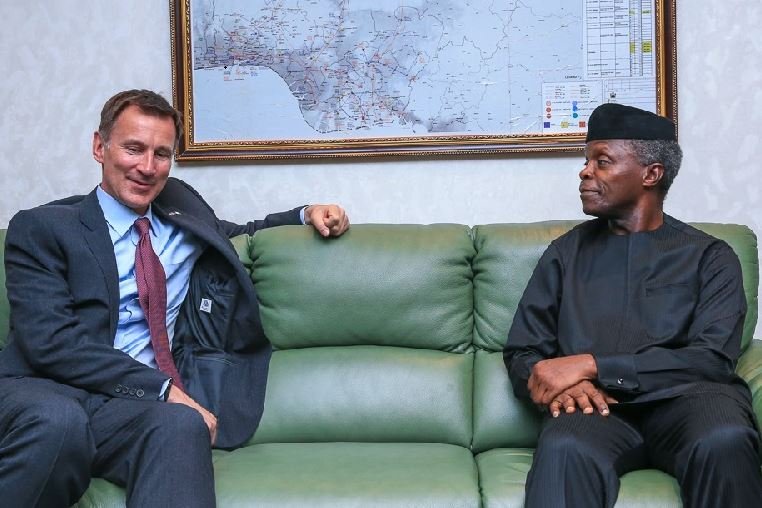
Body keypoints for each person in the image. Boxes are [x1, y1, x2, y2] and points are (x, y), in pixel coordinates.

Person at [0, 89, 350, 507]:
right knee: (61, 422)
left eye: (161, 154)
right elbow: (52, 343)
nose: (147, 167)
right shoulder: (42, 228)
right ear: (100, 147)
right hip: (47, 390)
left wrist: (306, 212)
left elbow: (238, 232)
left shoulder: (180, 208)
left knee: (183, 425)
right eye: (134, 149)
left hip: (124, 409)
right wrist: (164, 389)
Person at [503, 103, 762, 508]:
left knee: (725, 439)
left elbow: (711, 359)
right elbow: (523, 350)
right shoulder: (564, 254)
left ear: (651, 174)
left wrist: (592, 364)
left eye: (602, 161)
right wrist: (563, 384)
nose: (585, 171)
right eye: (587, 160)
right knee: (565, 447)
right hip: (597, 407)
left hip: (691, 402)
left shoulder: (711, 256)